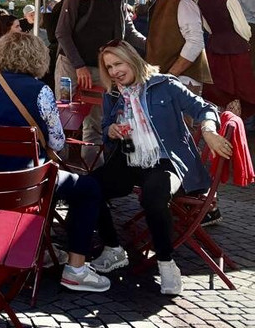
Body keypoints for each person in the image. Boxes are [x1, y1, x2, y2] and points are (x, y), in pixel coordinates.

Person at [0, 31, 111, 292]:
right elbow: (58, 144)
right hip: (28, 183)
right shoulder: (40, 90)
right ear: (37, 57)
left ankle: (35, 246)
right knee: (89, 188)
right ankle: (76, 268)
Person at [92, 41, 231, 296]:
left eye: (118, 64)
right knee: (88, 188)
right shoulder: (113, 93)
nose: (113, 72)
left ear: (132, 59)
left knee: (155, 195)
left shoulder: (164, 84)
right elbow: (106, 130)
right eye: (108, 67)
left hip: (167, 159)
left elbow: (205, 109)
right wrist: (111, 131)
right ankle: (113, 248)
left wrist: (209, 131)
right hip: (129, 157)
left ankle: (166, 262)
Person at [54, 0, 146, 165]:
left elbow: (128, 32)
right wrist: (79, 66)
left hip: (101, 68)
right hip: (71, 66)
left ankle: (92, 167)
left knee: (95, 120)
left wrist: (153, 47)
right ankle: (59, 166)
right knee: (63, 117)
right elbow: (62, 33)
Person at [140, 0, 212, 87]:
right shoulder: (164, 0)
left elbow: (195, 42)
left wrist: (171, 75)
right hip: (169, 80)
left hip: (181, 81)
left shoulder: (182, 1)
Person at [198, 0, 255, 118]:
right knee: (238, 90)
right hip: (235, 50)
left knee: (221, 90)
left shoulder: (201, 1)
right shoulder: (230, 1)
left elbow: (207, 27)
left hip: (214, 47)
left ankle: (222, 125)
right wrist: (246, 39)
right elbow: (243, 29)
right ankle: (235, 128)